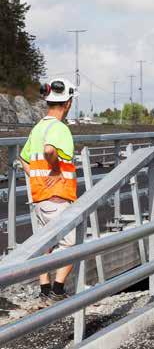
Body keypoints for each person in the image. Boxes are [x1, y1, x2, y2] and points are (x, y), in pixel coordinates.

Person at [19, 78, 79, 304]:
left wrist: (38, 178)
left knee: (45, 243)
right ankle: (58, 289)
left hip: (40, 196)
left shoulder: (38, 127)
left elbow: (24, 158)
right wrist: (53, 169)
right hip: (58, 196)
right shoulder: (59, 128)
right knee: (70, 244)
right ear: (69, 103)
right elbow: (49, 150)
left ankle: (44, 289)